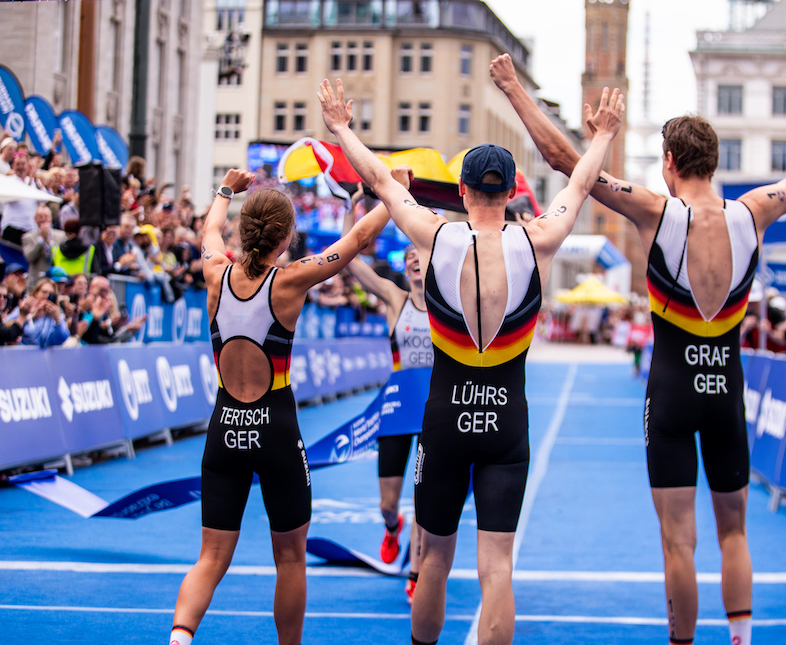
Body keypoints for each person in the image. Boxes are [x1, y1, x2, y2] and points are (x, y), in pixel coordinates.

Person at [490, 52, 786, 645]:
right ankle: (741, 637)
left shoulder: (653, 211)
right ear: (712, 162)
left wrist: (511, 87)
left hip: (674, 392)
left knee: (678, 539)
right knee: (735, 530)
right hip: (727, 389)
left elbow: (564, 160)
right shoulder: (754, 211)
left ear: (670, 163)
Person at [318, 75, 624, 645]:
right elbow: (579, 183)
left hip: (446, 419)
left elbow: (382, 180)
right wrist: (603, 135)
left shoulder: (433, 237)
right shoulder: (540, 239)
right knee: (497, 566)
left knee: (432, 558)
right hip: (506, 424)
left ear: (460, 190)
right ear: (510, 191)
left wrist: (340, 129)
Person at [168, 167, 392, 645]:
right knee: (290, 558)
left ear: (243, 233)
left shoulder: (214, 273)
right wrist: (396, 194)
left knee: (209, 558)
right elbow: (355, 241)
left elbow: (208, 231)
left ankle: (180, 637)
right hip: (275, 431)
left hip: (224, 430)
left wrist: (227, 190)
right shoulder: (290, 282)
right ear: (287, 235)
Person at [342, 181, 429, 602]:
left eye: (422, 256)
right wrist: (351, 205)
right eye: (409, 257)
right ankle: (392, 528)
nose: (415, 262)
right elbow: (350, 260)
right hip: (397, 407)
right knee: (388, 502)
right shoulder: (396, 300)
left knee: (425, 496)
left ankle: (415, 572)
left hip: (434, 409)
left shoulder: (450, 302)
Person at [21, 203, 67, 289]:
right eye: (40, 216)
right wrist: (41, 240)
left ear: (51, 218)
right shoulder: (28, 237)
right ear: (35, 219)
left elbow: (60, 256)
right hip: (36, 281)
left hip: (56, 279)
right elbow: (30, 257)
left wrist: (49, 243)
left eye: (46, 216)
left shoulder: (61, 236)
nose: (43, 219)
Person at [19, 277, 70, 348]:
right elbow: (11, 328)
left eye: (51, 294)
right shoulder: (25, 308)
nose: (47, 296)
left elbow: (62, 338)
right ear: (36, 293)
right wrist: (30, 316)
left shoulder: (55, 315)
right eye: (44, 292)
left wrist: (57, 320)